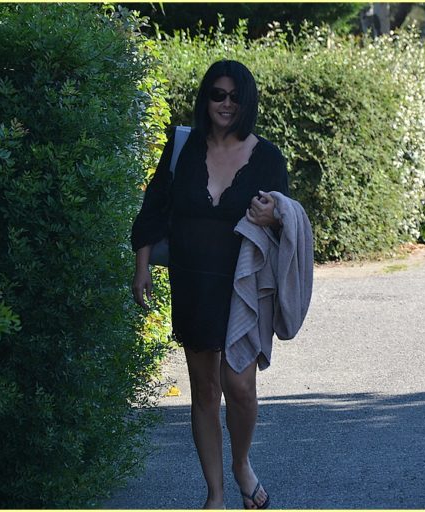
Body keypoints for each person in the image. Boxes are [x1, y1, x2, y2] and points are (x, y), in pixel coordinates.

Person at [131, 60, 289, 509]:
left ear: (247, 102)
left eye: (235, 97)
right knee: (204, 390)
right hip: (193, 283)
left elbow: (287, 224)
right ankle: (215, 494)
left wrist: (274, 214)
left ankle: (241, 463)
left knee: (239, 387)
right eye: (218, 94)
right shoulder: (183, 147)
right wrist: (142, 267)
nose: (226, 104)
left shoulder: (267, 157)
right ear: (206, 99)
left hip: (243, 288)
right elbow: (154, 208)